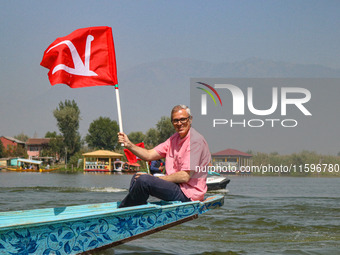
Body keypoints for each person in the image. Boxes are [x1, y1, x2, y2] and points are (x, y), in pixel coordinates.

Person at [117, 104, 211, 208]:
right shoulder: (174, 139)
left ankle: (124, 210)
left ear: (190, 120)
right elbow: (148, 155)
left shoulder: (195, 141)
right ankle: (136, 209)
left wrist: (156, 178)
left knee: (144, 180)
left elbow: (185, 176)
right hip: (176, 186)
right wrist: (129, 144)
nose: (179, 123)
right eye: (175, 121)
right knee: (137, 177)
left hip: (188, 194)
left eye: (183, 119)